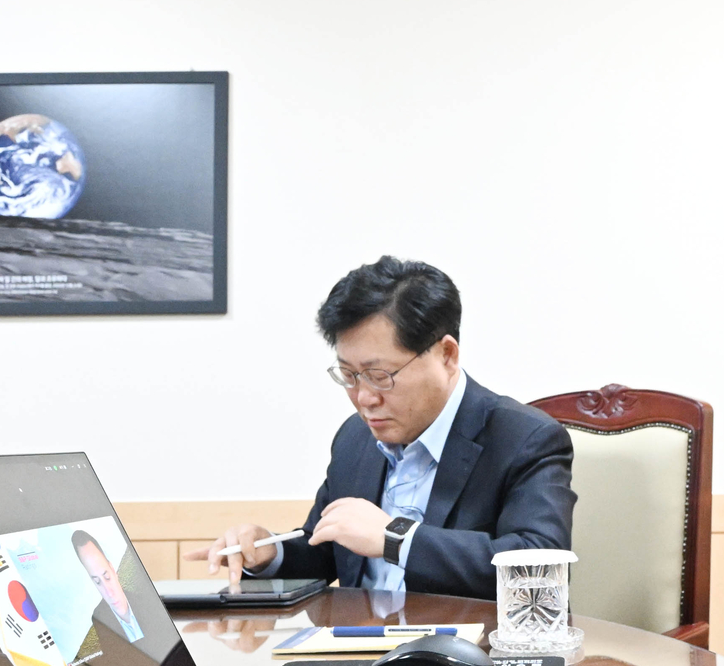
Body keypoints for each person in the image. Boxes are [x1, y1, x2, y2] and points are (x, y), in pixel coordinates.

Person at [190, 256, 574, 600]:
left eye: (380, 375)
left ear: (447, 355)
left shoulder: (524, 438)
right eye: (348, 375)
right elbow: (327, 552)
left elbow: (538, 570)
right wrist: (270, 553)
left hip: (472, 663)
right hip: (357, 660)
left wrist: (396, 538)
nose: (364, 398)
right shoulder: (354, 439)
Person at [72, 528, 144, 643]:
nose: (109, 593)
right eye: (98, 582)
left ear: (113, 569)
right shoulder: (99, 618)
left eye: (107, 577)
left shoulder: (145, 601)